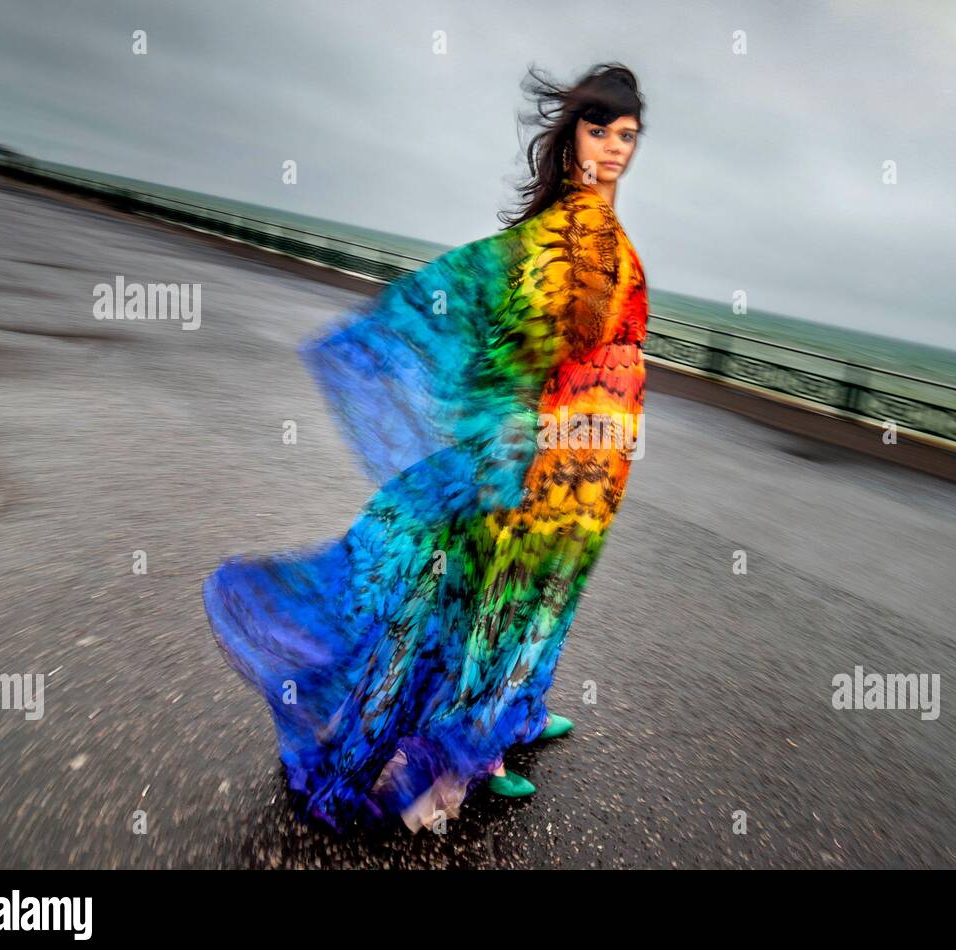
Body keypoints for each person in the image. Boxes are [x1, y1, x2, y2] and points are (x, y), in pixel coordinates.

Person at [202, 62, 648, 834]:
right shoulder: (562, 238)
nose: (613, 149)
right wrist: (511, 455)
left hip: (594, 466)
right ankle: (473, 752)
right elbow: (507, 359)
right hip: (547, 462)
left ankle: (517, 717)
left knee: (549, 602)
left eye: (628, 137)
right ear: (573, 133)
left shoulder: (604, 234)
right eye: (599, 130)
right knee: (501, 602)